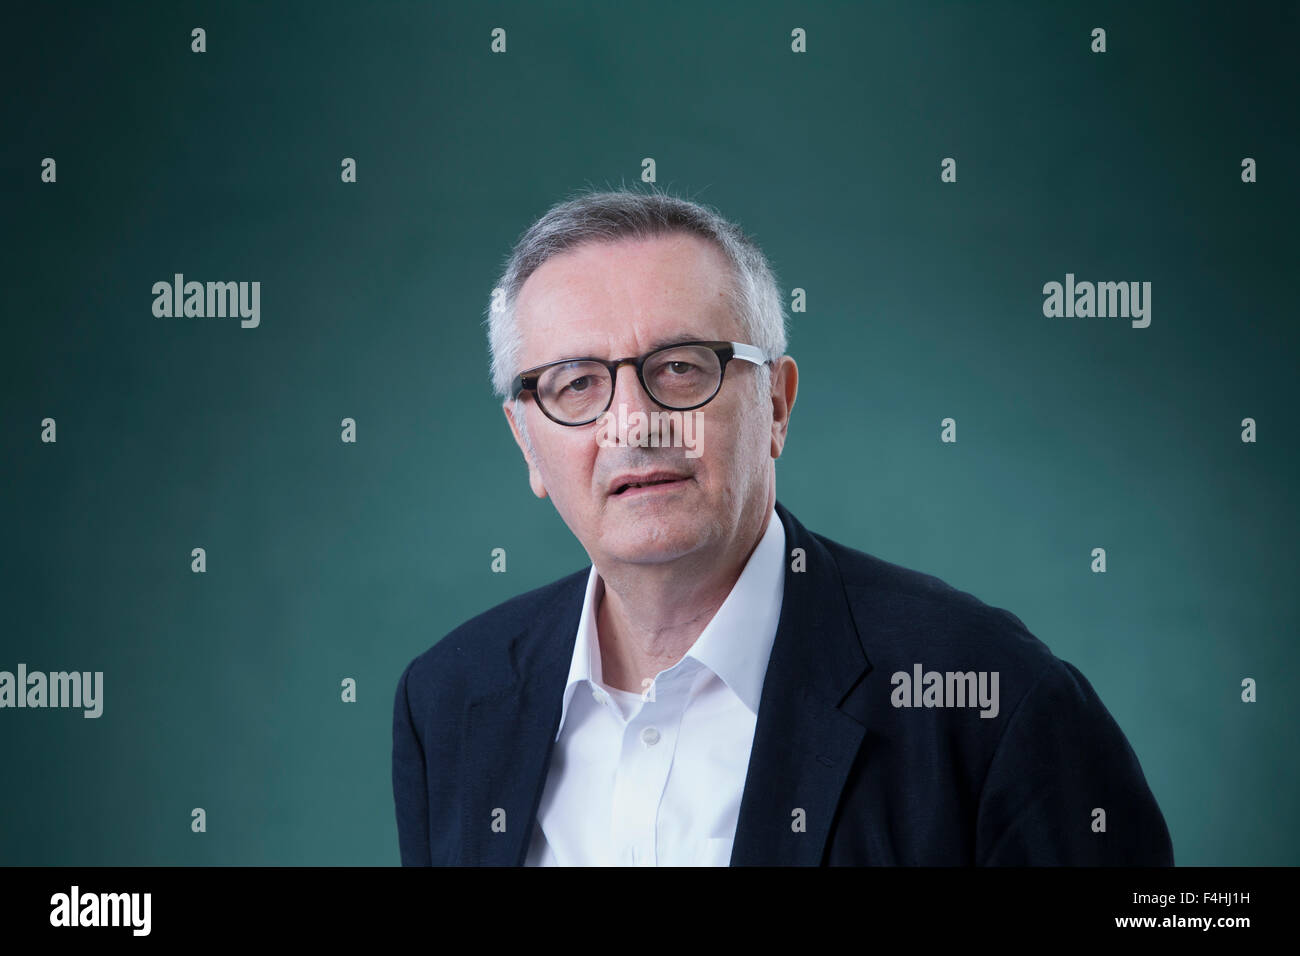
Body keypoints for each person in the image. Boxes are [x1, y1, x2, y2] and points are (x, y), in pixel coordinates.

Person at [392, 188, 1174, 866]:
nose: (633, 425)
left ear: (775, 404)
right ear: (527, 441)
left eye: (680, 368)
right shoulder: (449, 703)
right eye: (575, 384)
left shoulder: (992, 700)